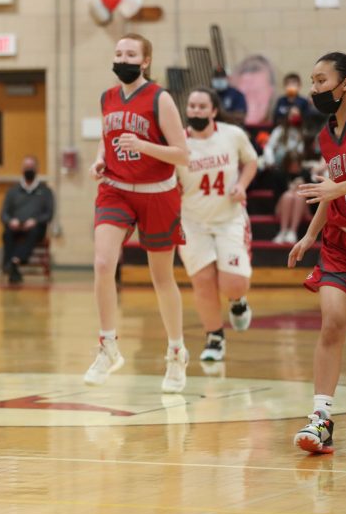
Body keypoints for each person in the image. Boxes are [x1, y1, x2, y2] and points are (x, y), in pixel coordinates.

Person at [87, 33, 190, 393]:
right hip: (115, 190)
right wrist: (100, 159)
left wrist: (144, 145)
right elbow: (106, 139)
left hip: (157, 192)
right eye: (118, 53)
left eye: (131, 54)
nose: (123, 59)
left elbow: (182, 154)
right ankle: (107, 346)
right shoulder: (107, 97)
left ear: (145, 61)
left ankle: (176, 352)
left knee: (161, 277)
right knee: (103, 263)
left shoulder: (160, 98)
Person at [288, 51, 346, 454]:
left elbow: (337, 187)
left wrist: (338, 187)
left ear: (345, 83)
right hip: (339, 244)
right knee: (332, 322)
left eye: (321, 81)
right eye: (313, 82)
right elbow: (329, 192)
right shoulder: (326, 134)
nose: (314, 89)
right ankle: (321, 419)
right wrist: (309, 235)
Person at [176, 88, 258, 363]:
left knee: (233, 284)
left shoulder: (232, 135)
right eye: (192, 106)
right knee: (202, 281)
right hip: (192, 222)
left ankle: (238, 301)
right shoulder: (177, 142)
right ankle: (214, 337)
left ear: (213, 110)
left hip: (229, 218)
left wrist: (241, 185)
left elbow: (251, 161)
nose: (196, 110)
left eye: (202, 106)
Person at [0, 155, 54, 285]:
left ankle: (12, 261)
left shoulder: (46, 191)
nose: (29, 170)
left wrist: (35, 221)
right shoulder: (12, 191)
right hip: (16, 227)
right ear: (22, 169)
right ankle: (14, 266)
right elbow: (3, 214)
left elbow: (49, 214)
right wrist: (11, 221)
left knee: (34, 232)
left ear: (37, 169)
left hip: (35, 227)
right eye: (26, 167)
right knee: (7, 234)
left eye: (31, 167)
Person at [263, 106, 308, 243]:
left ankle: (292, 232)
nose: (295, 118)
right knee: (289, 196)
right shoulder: (279, 131)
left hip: (301, 203)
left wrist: (298, 186)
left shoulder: (302, 133)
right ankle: (283, 232)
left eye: (297, 115)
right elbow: (269, 147)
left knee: (298, 196)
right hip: (278, 167)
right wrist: (270, 161)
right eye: (292, 115)